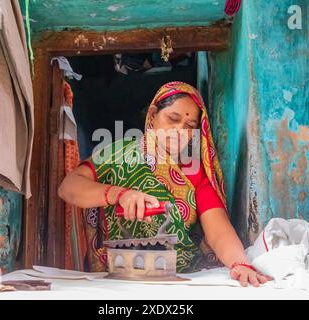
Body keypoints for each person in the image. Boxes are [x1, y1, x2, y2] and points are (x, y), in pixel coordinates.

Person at [59, 81, 271, 287]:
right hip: (116, 280)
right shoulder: (117, 154)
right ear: (152, 114)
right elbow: (69, 187)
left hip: (179, 280)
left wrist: (239, 263)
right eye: (173, 119)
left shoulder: (194, 172)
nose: (180, 131)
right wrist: (119, 194)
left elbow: (218, 230)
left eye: (190, 126)